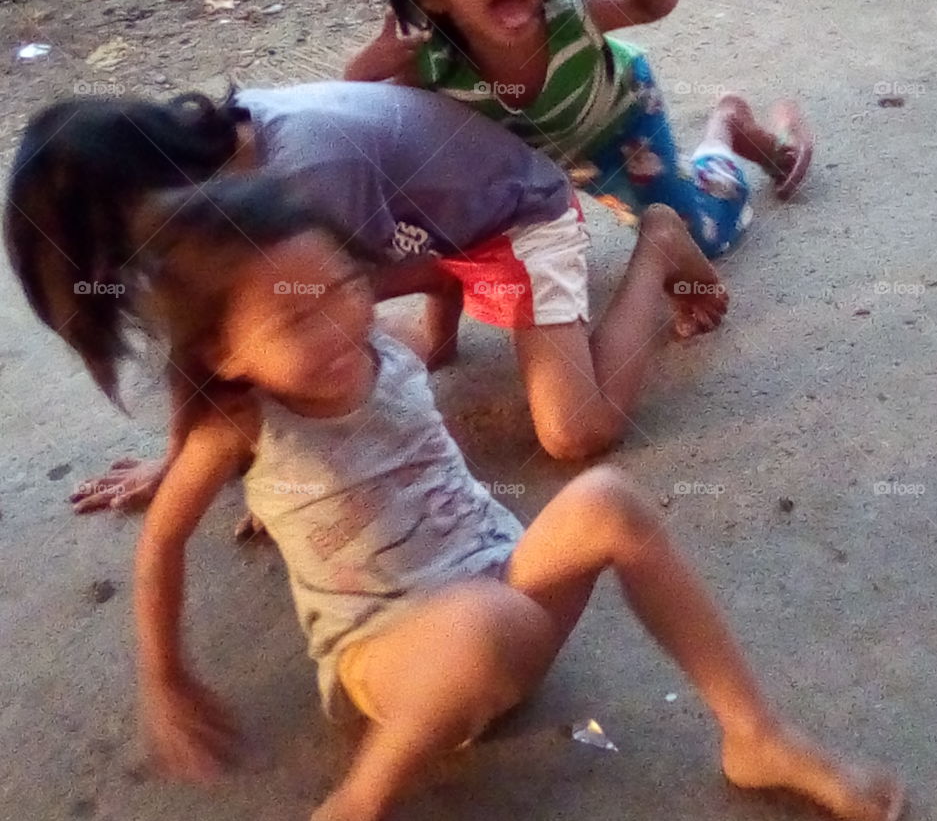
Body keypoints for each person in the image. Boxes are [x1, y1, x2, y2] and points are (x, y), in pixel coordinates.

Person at [127, 175, 900, 821]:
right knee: (479, 622)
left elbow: (430, 317)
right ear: (223, 355)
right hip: (392, 658)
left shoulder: (386, 350)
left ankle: (754, 734)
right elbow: (162, 541)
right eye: (295, 322)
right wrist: (165, 677)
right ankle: (354, 810)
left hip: (508, 587)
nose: (337, 326)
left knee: (608, 498)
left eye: (343, 287)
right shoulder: (237, 430)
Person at [4, 83, 727, 510]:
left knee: (575, 431)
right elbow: (205, 334)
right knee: (284, 324)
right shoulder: (218, 169)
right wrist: (178, 456)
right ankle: (445, 313)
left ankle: (658, 242)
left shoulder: (306, 172)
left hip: (519, 219)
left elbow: (318, 340)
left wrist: (299, 465)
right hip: (432, 230)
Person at [344, 0, 813, 257]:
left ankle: (726, 130)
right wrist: (366, 64)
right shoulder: (434, 64)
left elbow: (657, 4)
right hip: (551, 163)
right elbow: (361, 113)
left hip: (624, 117)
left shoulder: (570, 16)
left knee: (694, 234)